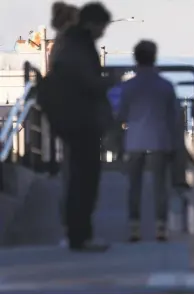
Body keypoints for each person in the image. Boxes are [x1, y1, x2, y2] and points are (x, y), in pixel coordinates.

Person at [45, 2, 114, 252]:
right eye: (102, 27)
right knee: (84, 178)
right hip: (81, 119)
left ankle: (78, 232)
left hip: (72, 118)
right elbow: (86, 81)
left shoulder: (68, 43)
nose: (102, 33)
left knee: (79, 176)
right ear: (92, 23)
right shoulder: (78, 45)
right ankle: (80, 234)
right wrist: (108, 83)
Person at [117, 40, 179, 242]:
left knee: (134, 185)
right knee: (160, 185)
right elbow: (174, 118)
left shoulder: (128, 87)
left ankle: (134, 227)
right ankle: (161, 227)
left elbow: (120, 115)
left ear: (136, 58)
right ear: (154, 57)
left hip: (134, 141)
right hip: (160, 141)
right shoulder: (166, 86)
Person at [48, 1, 79, 249]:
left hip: (65, 117)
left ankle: (72, 227)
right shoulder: (71, 45)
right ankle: (74, 229)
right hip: (76, 119)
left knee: (70, 174)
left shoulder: (58, 45)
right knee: (78, 175)